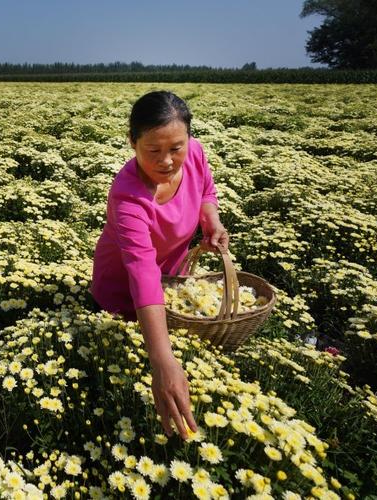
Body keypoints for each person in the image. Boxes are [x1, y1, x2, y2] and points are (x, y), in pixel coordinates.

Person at [90, 90, 229, 441]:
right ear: (132, 142)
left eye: (175, 148)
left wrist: (210, 220)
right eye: (153, 150)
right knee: (120, 367)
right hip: (126, 286)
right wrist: (162, 361)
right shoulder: (127, 194)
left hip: (172, 276)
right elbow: (141, 269)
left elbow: (207, 192)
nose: (167, 160)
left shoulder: (194, 154)